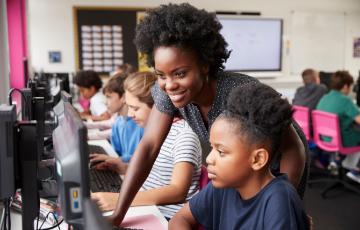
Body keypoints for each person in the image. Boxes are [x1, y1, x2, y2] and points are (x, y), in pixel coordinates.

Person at [108, 3, 308, 225]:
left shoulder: (238, 91)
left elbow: (293, 148)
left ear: (205, 65)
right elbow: (148, 147)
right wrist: (118, 214)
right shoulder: (168, 91)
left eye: (180, 73)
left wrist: (286, 200)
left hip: (280, 167)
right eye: (161, 75)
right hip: (240, 172)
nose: (169, 84)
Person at [169, 83, 309, 229]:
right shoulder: (224, 184)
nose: (209, 159)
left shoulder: (280, 202)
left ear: (258, 159)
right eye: (212, 148)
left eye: (221, 152)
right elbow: (179, 219)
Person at [91, 72, 202, 219]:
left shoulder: (184, 136)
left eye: (135, 108)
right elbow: (157, 174)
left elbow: (178, 191)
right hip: (149, 207)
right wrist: (124, 168)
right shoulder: (151, 130)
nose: (130, 114)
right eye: (128, 107)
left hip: (167, 217)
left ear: (157, 106)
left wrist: (118, 199)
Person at [90, 73, 144, 173]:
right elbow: (119, 153)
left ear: (124, 97)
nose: (106, 102)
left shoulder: (140, 124)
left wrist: (117, 159)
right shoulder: (118, 121)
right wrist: (110, 158)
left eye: (109, 97)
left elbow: (142, 158)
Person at [316, 70, 360, 183]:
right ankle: (356, 171)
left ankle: (337, 161)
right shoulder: (345, 100)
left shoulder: (324, 97)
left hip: (325, 139)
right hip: (341, 141)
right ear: (346, 86)